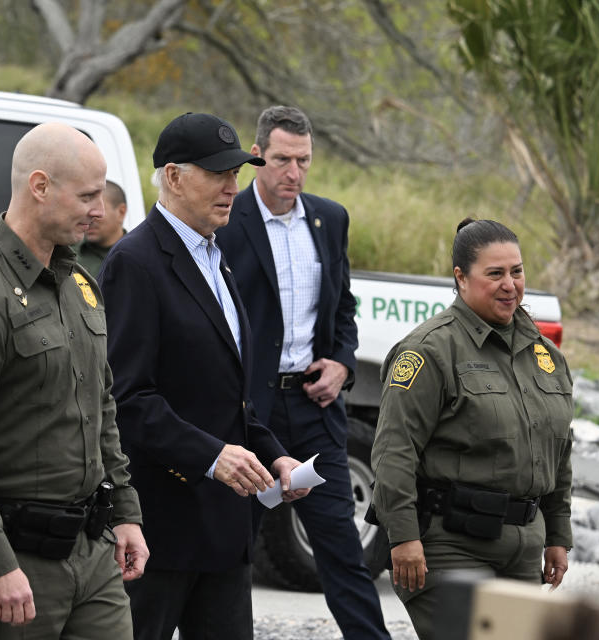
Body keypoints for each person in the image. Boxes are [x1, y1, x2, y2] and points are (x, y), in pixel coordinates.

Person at [0, 121, 148, 639]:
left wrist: (125, 512)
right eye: (87, 195)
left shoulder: (78, 285)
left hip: (92, 555)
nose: (100, 209)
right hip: (10, 564)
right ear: (40, 186)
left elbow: (102, 407)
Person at [98, 112, 310, 640]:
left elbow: (228, 394)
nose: (232, 188)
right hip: (160, 528)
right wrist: (211, 456)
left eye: (236, 174)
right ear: (172, 176)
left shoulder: (218, 258)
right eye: (217, 174)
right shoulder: (135, 263)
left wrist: (273, 452)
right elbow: (128, 399)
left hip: (224, 528)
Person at [215, 105, 390, 639]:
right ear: (257, 155)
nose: (294, 172)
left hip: (314, 409)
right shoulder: (228, 220)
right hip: (249, 413)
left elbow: (343, 308)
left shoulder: (329, 218)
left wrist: (341, 361)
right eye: (283, 159)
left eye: (304, 161)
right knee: (229, 549)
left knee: (341, 548)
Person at [369, 218, 574, 640]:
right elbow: (394, 451)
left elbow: (559, 450)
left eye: (516, 271)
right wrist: (403, 538)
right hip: (449, 544)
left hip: (521, 549)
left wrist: (558, 534)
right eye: (494, 273)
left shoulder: (544, 355)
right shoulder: (429, 351)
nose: (510, 284)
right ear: (461, 278)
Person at [74, 179, 127, 277]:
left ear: (121, 212)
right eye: (85, 209)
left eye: (96, 209)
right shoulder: (67, 255)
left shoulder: (139, 254)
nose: (88, 216)